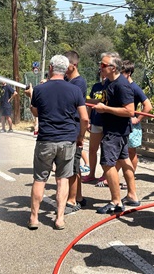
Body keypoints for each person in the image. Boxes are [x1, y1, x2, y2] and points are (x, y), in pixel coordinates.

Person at [25, 55, 89, 230]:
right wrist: (81, 136)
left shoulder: (39, 89)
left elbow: (36, 112)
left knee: (39, 179)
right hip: (67, 139)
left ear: (51, 67)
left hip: (46, 139)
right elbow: (84, 118)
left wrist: (31, 98)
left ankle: (34, 218)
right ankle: (59, 218)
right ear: (66, 68)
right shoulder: (75, 90)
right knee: (62, 180)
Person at [93, 52, 138, 214]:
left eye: (104, 65)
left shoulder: (121, 85)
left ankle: (116, 201)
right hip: (115, 129)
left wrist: (105, 109)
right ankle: (132, 195)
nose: (101, 67)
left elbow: (130, 111)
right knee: (124, 160)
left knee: (107, 163)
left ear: (113, 68)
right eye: (101, 64)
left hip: (116, 132)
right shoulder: (108, 83)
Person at [64, 50, 89, 211]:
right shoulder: (68, 81)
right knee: (75, 165)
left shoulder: (78, 83)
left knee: (72, 166)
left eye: (65, 66)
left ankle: (72, 201)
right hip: (71, 128)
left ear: (73, 66)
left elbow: (74, 106)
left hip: (74, 128)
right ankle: (78, 196)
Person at [121, 60, 153, 178]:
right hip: (121, 123)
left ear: (128, 73)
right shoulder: (120, 86)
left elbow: (148, 106)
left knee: (131, 151)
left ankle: (130, 176)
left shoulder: (134, 88)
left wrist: (137, 119)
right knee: (121, 151)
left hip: (132, 125)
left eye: (122, 72)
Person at [83, 75, 107, 184]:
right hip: (96, 122)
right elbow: (89, 104)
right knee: (92, 149)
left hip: (108, 123)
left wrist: (92, 101)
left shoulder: (112, 86)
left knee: (106, 151)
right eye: (101, 71)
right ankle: (91, 174)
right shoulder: (96, 86)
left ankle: (105, 175)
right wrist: (88, 118)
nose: (103, 75)